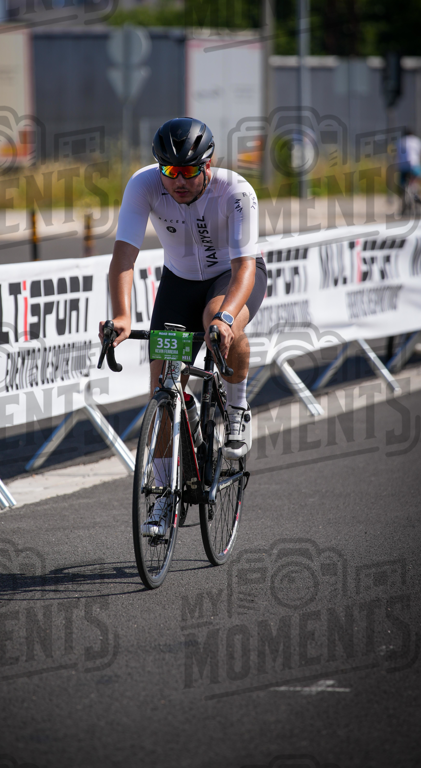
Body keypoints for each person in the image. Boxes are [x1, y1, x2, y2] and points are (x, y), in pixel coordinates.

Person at [99, 117, 267, 534]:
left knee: (218, 324)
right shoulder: (143, 185)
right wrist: (122, 315)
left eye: (189, 171)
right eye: (169, 171)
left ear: (209, 164)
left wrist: (228, 317)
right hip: (179, 284)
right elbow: (123, 258)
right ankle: (161, 496)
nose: (178, 180)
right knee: (162, 390)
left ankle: (239, 408)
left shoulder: (237, 191)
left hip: (233, 278)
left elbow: (245, 265)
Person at [397, 127, 421, 214]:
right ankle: (415, 187)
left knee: (402, 185)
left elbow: (397, 154)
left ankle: (403, 205)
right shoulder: (416, 140)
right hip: (414, 166)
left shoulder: (400, 141)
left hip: (402, 167)